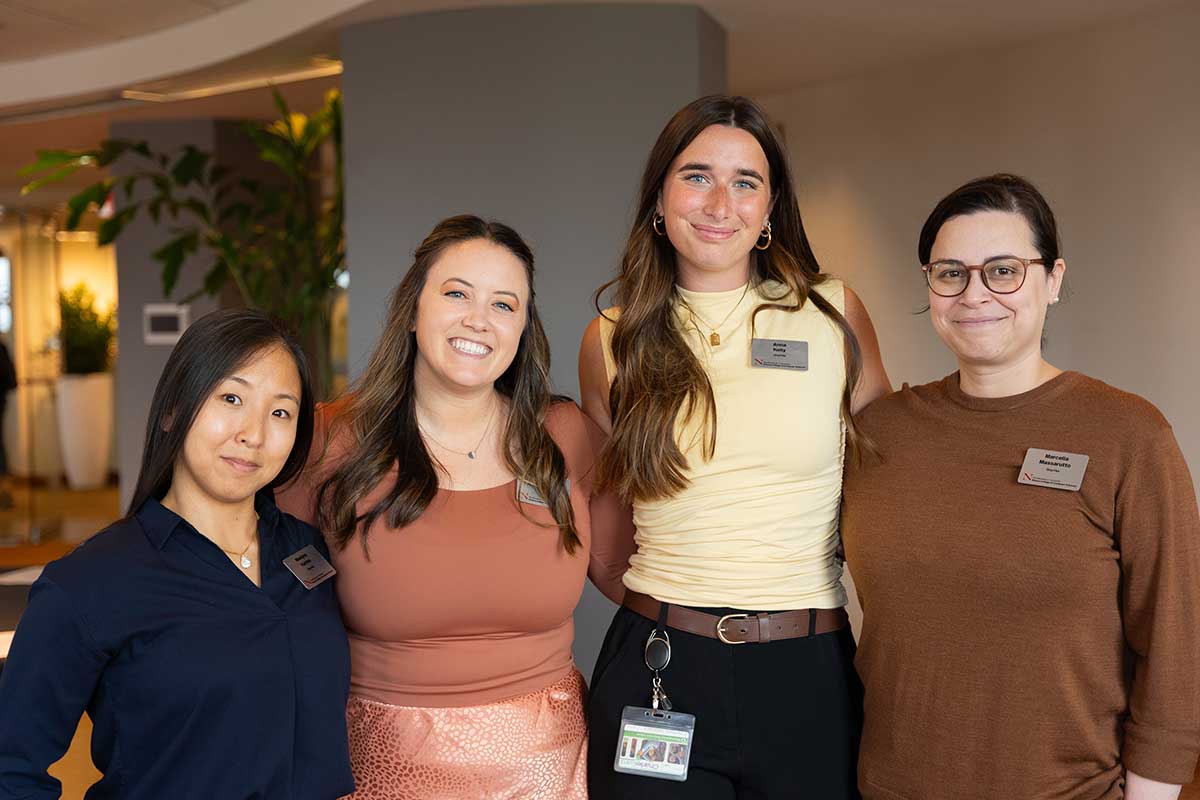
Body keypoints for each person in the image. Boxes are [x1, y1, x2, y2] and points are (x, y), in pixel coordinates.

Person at [841, 173, 1200, 800]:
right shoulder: (880, 434)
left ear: (1053, 279)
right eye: (950, 272)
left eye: (1003, 270)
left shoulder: (1128, 434)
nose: (975, 294)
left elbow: (1175, 645)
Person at [581, 95, 891, 799]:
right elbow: (607, 518)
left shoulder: (831, 313)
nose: (721, 201)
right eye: (696, 176)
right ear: (659, 199)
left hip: (806, 666)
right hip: (659, 663)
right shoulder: (611, 337)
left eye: (746, 181)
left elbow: (890, 480)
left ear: (770, 208)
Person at [277, 214, 632, 799]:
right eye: (457, 293)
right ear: (414, 309)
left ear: (522, 327)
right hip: (380, 766)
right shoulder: (333, 440)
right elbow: (262, 597)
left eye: (504, 304)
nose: (478, 319)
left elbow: (638, 576)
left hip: (546, 773)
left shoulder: (562, 436)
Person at [0, 309, 354, 799]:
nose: (253, 434)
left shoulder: (309, 550)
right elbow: (10, 767)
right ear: (172, 410)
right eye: (231, 398)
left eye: (280, 412)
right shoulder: (90, 582)